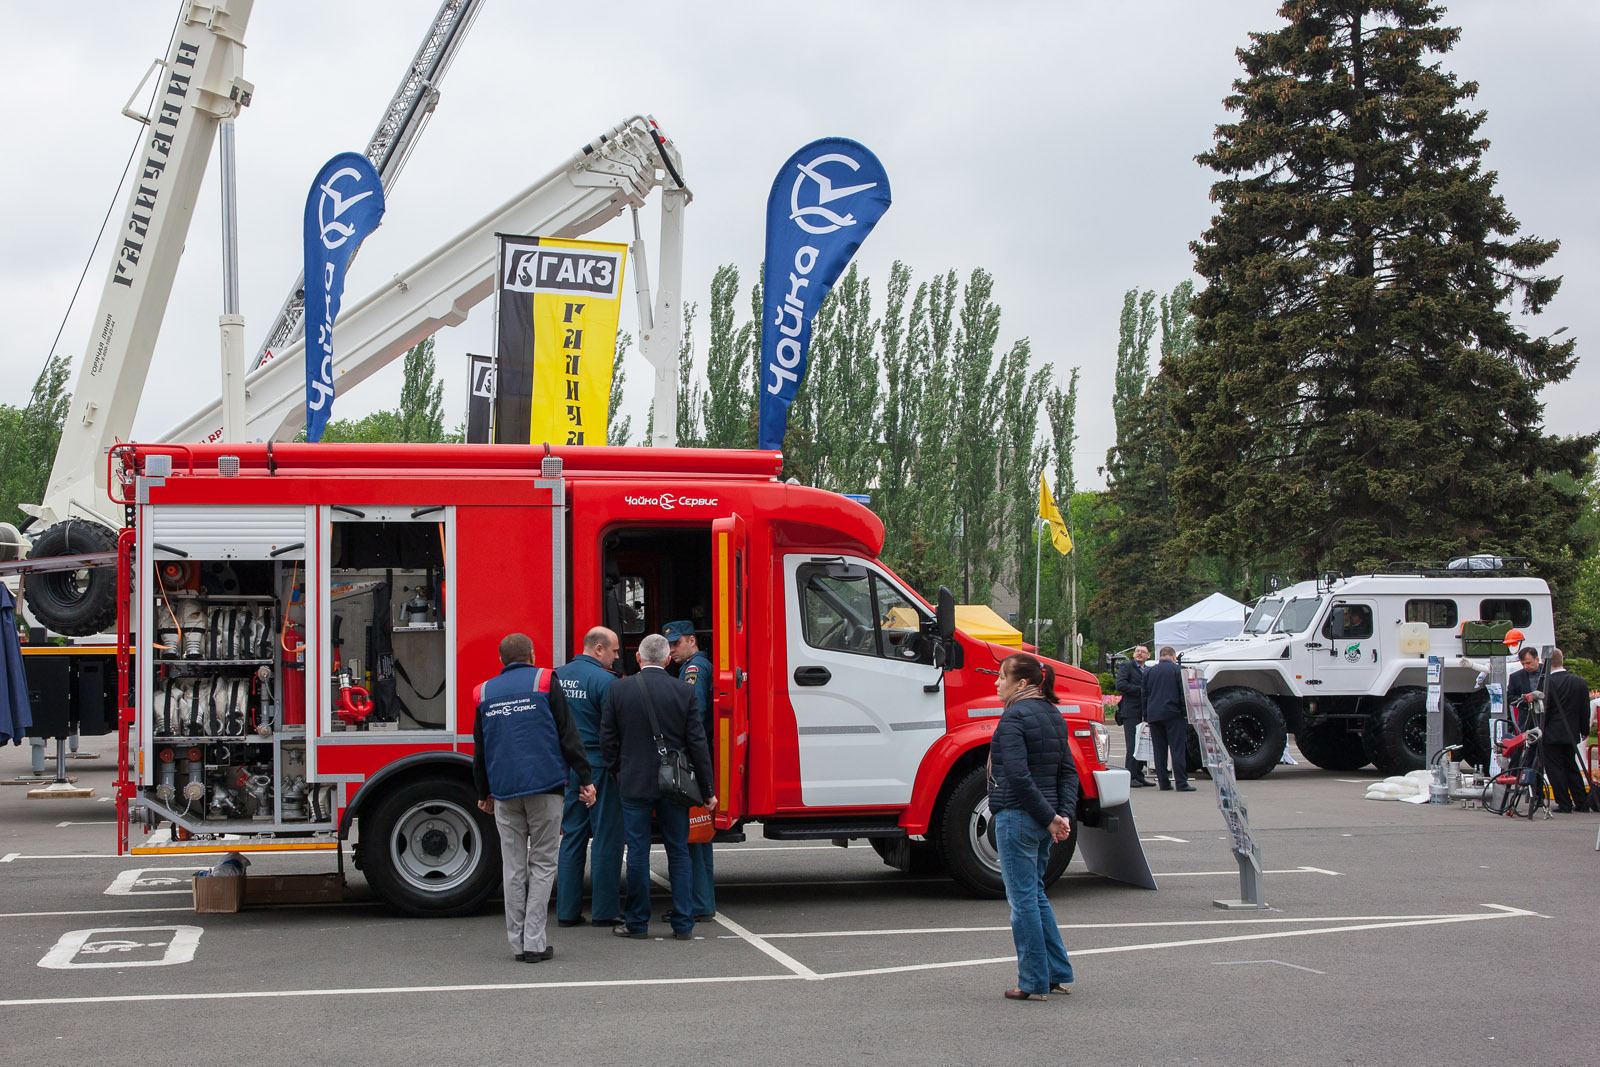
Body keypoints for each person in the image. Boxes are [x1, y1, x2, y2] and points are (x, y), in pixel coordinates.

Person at [472, 632, 594, 963]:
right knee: (542, 864)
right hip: (546, 787)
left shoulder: (483, 692)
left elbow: (481, 749)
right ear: (532, 654)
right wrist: (585, 777)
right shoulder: (545, 680)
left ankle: (516, 943)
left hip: (505, 791)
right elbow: (567, 732)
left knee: (513, 868)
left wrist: (483, 792)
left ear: (501, 661)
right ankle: (534, 942)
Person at [600, 633, 716, 940]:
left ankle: (637, 922)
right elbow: (697, 744)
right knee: (678, 852)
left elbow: (607, 741)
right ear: (667, 660)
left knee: (637, 852)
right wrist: (708, 790)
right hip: (675, 785)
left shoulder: (619, 689)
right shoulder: (683, 691)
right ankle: (683, 923)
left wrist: (618, 772)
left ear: (638, 658)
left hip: (634, 783)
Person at [989, 652, 1078, 1002]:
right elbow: (1068, 772)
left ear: (1021, 683)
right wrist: (1060, 816)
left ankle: (1033, 980)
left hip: (1018, 815)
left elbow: (1017, 776)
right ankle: (1056, 973)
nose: (997, 683)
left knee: (1023, 900)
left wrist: (1048, 817)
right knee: (1036, 895)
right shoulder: (1053, 715)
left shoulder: (1013, 719)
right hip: (1044, 818)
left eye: (1001, 677)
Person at [554, 626, 625, 928]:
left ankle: (567, 911)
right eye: (614, 650)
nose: (617, 656)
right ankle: (605, 910)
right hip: (599, 766)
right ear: (598, 649)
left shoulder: (556, 677)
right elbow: (614, 730)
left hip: (568, 767)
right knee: (606, 838)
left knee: (572, 836)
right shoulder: (606, 681)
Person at [665, 619, 717, 920]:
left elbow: (692, 715)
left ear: (692, 641)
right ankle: (702, 901)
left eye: (677, 644)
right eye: (669, 645)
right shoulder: (693, 666)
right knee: (699, 834)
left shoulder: (694, 669)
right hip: (699, 757)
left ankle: (698, 903)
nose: (672, 650)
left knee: (694, 834)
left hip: (692, 759)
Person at [1540, 649, 1595, 814]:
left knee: (1555, 768)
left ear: (1546, 662)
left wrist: (1542, 728)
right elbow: (1584, 710)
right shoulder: (1580, 682)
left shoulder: (1548, 683)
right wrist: (1584, 730)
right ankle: (1582, 802)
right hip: (1571, 732)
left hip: (1551, 732)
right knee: (1571, 766)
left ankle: (1564, 803)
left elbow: (1546, 710)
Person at [1142, 646, 1195, 792]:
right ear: (1173, 656)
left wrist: (1146, 715)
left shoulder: (1149, 671)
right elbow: (1183, 693)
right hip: (1173, 714)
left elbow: (1144, 694)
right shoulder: (1179, 670)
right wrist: (1186, 712)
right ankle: (1181, 782)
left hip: (1154, 715)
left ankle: (1164, 783)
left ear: (1160, 656)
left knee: (1159, 751)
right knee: (1177, 749)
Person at [1114, 646, 1152, 787]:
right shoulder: (1127, 666)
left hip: (1143, 712)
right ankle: (1130, 776)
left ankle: (1139, 774)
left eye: (1142, 652)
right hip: (1130, 712)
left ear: (1148, 655)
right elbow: (1120, 685)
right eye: (1137, 651)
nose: (1139, 654)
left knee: (1142, 744)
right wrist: (1141, 690)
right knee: (1133, 745)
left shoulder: (1147, 670)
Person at [1507, 646, 1542, 730]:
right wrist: (1525, 699)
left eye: (1528, 663)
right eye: (1523, 664)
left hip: (1547, 717)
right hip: (1526, 719)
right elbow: (1510, 697)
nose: (1526, 666)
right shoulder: (1515, 677)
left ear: (1536, 659)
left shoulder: (1548, 672)